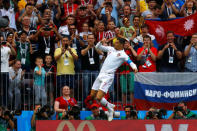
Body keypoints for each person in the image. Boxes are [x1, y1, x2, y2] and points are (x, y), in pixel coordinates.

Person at [89, 37, 138, 121]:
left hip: (108, 77)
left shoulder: (123, 54)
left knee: (98, 97)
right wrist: (100, 42)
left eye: (117, 42)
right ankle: (110, 106)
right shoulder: (111, 49)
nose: (114, 43)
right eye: (115, 42)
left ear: (121, 45)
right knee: (92, 95)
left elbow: (130, 62)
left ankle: (110, 108)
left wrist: (134, 68)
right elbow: (98, 47)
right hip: (101, 74)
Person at [81, 34, 102, 102]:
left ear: (94, 40)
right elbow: (82, 53)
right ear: (87, 40)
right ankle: (85, 104)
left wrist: (94, 47)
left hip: (95, 71)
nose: (91, 40)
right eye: (89, 38)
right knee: (86, 89)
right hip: (86, 71)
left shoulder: (97, 47)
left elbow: (101, 53)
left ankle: (95, 104)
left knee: (95, 89)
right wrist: (89, 47)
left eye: (92, 38)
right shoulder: (84, 46)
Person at [118, 40, 137, 105]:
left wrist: (131, 48)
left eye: (127, 43)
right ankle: (124, 106)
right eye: (125, 43)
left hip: (131, 72)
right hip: (122, 72)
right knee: (123, 90)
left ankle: (132, 105)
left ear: (129, 44)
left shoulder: (131, 50)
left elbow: (136, 55)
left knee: (132, 90)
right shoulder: (120, 52)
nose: (126, 44)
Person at [1, 39, 16, 107]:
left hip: (5, 72)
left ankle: (4, 107)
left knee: (5, 91)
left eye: (1, 41)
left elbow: (14, 53)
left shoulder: (6, 48)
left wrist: (10, 45)